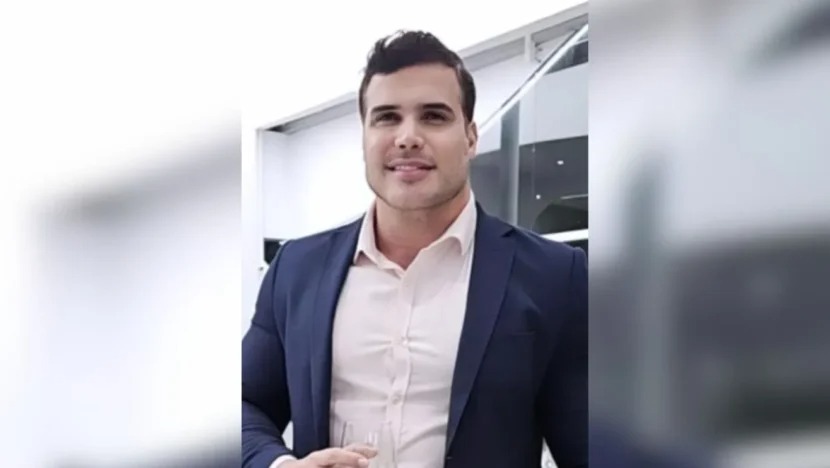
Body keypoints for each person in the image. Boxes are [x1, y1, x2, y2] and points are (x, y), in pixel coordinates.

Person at [242, 30, 587, 468]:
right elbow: (245, 405)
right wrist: (278, 465)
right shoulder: (296, 269)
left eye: (433, 116)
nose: (407, 137)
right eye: (387, 118)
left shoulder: (554, 276)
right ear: (364, 138)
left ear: (471, 138)